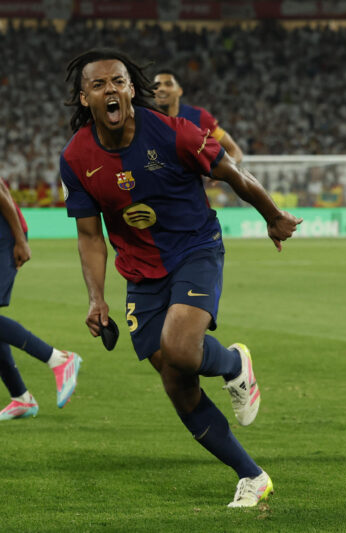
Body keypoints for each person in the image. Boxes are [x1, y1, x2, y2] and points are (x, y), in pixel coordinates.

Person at [60, 48, 302, 507]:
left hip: (195, 249)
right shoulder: (76, 158)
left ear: (132, 89)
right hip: (139, 272)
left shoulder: (172, 133)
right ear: (84, 97)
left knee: (180, 347)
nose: (110, 89)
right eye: (99, 84)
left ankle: (233, 364)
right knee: (176, 381)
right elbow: (90, 235)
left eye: (118, 81)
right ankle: (251, 476)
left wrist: (272, 215)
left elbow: (230, 171)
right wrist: (97, 298)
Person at [0, 178, 82, 421]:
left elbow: (1, 191)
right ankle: (22, 399)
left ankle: (59, 359)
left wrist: (20, 240)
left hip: (4, 234)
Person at [152, 68, 244, 163]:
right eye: (156, 86)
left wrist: (220, 175)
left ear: (179, 91)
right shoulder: (144, 118)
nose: (161, 89)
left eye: (168, 84)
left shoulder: (198, 116)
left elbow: (235, 151)